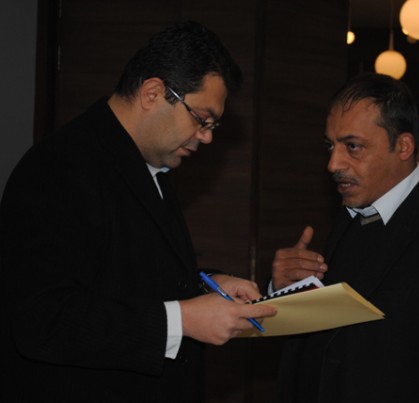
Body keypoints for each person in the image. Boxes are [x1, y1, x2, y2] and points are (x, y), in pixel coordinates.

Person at [0, 21, 276, 402]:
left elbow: (126, 275)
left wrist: (207, 284)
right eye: (201, 119)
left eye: (213, 124)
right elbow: (43, 320)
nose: (208, 136)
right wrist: (183, 320)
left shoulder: (148, 164)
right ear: (153, 93)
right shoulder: (59, 167)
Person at [271, 73, 419, 402]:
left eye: (353, 146)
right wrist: (284, 291)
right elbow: (327, 335)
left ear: (403, 146)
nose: (333, 164)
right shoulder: (348, 214)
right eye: (330, 146)